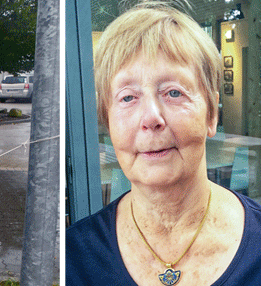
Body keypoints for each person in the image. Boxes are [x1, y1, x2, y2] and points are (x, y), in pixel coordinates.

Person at [66, 3, 261, 285]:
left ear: (211, 114)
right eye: (128, 97)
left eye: (173, 92)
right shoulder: (75, 258)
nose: (151, 118)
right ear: (108, 121)